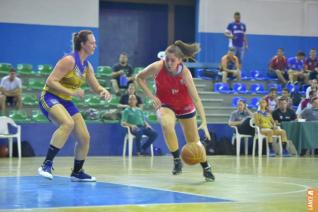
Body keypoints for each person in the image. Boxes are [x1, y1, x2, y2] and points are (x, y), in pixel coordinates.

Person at [37, 30, 111, 181]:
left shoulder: (87, 66)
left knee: (84, 137)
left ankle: (77, 172)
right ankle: (46, 165)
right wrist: (73, 92)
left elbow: (95, 86)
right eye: (92, 43)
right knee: (67, 123)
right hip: (49, 97)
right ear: (83, 44)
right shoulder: (69, 60)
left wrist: (103, 91)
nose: (94, 45)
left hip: (65, 101)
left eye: (95, 42)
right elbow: (50, 81)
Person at [136, 40, 215, 181]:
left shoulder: (185, 74)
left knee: (194, 143)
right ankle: (177, 159)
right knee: (166, 124)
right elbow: (139, 78)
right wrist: (151, 96)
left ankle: (206, 166)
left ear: (180, 60)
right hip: (166, 104)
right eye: (167, 59)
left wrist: (204, 121)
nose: (169, 63)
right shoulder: (158, 66)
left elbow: (196, 99)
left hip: (185, 106)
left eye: (173, 60)